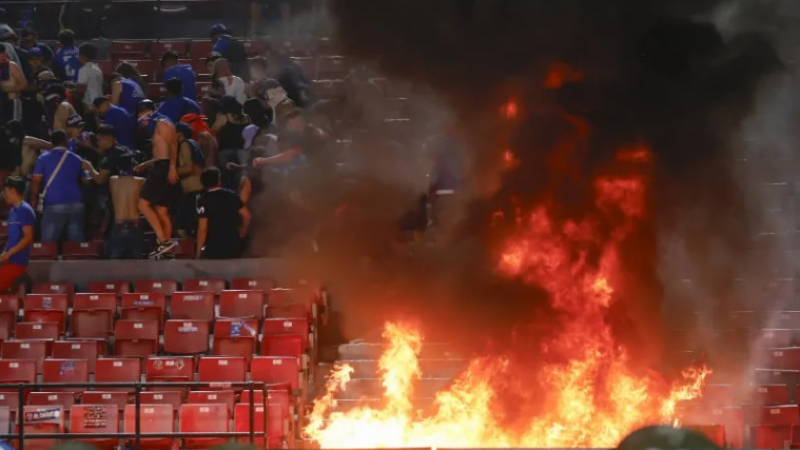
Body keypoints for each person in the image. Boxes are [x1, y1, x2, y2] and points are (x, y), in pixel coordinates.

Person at [82, 125, 144, 258]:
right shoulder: (124, 150)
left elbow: (100, 180)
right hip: (133, 208)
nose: (98, 143)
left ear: (107, 138)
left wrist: (89, 167)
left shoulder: (110, 159)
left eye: (99, 140)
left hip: (114, 206)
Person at [135, 101, 180, 258]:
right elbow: (161, 153)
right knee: (161, 209)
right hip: (160, 165)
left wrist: (172, 167)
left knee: (142, 204)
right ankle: (166, 248)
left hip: (163, 168)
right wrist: (146, 164)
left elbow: (173, 145)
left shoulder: (162, 123)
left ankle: (163, 241)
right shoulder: (156, 125)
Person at [30, 129, 88, 242]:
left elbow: (36, 180)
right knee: (76, 245)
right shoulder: (77, 158)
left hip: (54, 204)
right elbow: (86, 181)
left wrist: (33, 200)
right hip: (76, 204)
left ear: (51, 142)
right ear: (66, 141)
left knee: (48, 244)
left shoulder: (43, 158)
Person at [196, 167, 250, 259]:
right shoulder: (232, 196)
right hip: (233, 246)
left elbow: (202, 228)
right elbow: (247, 216)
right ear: (219, 181)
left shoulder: (203, 201)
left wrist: (198, 252)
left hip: (214, 248)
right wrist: (244, 230)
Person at [0, 176, 35, 292]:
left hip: (17, 262)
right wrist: (4, 254)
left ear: (13, 191)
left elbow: (28, 237)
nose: (3, 195)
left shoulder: (25, 210)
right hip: (8, 261)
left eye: (5, 192)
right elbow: (12, 237)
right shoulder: (12, 211)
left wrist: (9, 253)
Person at [212, 96, 249, 188]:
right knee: (240, 180)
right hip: (242, 152)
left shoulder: (223, 117)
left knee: (225, 179)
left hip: (224, 152)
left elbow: (212, 132)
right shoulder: (246, 118)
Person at [175, 122, 204, 237]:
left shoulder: (184, 144)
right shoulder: (193, 143)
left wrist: (171, 172)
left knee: (184, 226)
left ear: (179, 134)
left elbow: (188, 167)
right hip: (194, 192)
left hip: (194, 193)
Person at [0, 44, 27, 123]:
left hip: (12, 102)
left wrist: (6, 90)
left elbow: (23, 84)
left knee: (13, 126)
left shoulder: (12, 66)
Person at [75, 43, 103, 117]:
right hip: (99, 105)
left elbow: (80, 91)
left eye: (79, 54)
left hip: (89, 107)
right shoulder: (97, 69)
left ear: (83, 56)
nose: (78, 57)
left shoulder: (83, 70)